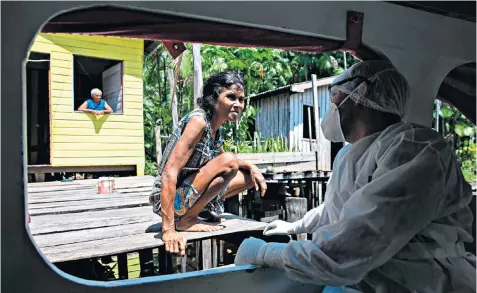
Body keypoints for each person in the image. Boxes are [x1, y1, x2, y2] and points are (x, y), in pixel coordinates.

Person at [234, 60, 476, 293]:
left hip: (421, 282)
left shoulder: (416, 148)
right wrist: (297, 225)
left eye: (335, 95)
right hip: (371, 280)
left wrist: (264, 253)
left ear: (359, 94)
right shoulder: (352, 153)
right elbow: (348, 205)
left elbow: (344, 252)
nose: (331, 105)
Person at [150, 71, 267, 256]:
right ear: (213, 98)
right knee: (230, 161)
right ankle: (186, 220)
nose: (238, 104)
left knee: (248, 178)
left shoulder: (215, 129)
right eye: (231, 97)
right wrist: (168, 230)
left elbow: (223, 160)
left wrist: (252, 167)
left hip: (187, 195)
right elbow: (168, 173)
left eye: (241, 99)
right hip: (169, 200)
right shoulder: (199, 122)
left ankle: (196, 212)